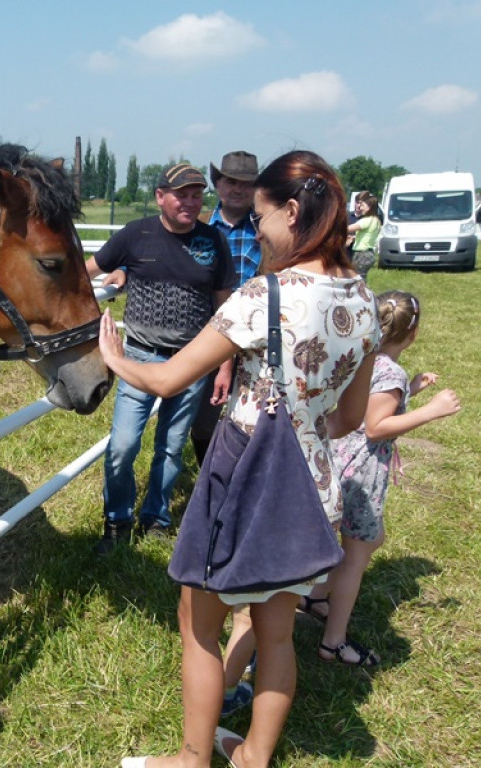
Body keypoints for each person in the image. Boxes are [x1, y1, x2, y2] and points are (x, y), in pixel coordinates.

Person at [109, 150, 379, 768]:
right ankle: (254, 756)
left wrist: (118, 358)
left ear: (291, 211)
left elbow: (169, 379)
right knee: (276, 630)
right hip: (310, 482)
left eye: (261, 215)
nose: (255, 231)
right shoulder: (362, 297)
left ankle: (191, 759)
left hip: (244, 476)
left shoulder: (266, 295)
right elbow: (350, 418)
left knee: (197, 622)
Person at [300, 291, 460, 668]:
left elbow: (374, 402)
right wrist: (431, 411)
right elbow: (376, 426)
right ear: (413, 333)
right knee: (357, 552)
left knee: (367, 540)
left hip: (335, 455)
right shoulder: (392, 373)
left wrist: (411, 391)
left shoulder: (360, 358)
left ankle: (318, 596)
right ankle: (334, 641)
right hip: (360, 468)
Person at [85, 163, 236, 552]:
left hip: (191, 361)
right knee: (122, 445)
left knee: (171, 446)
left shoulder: (213, 240)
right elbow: (90, 268)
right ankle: (117, 519)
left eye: (195, 194)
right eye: (181, 194)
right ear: (160, 197)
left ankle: (156, 517)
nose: (189, 201)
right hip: (138, 357)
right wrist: (117, 270)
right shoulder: (137, 234)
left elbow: (224, 309)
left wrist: (225, 364)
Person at [195, 151, 262, 718]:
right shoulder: (205, 229)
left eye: (247, 184)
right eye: (231, 181)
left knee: (245, 424)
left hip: (260, 341)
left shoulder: (266, 237)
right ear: (219, 183)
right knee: (206, 427)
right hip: (213, 338)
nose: (237, 191)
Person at [347, 191, 381, 279]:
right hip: (368, 253)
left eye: (363, 206)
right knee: (361, 279)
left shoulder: (366, 220)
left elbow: (347, 229)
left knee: (358, 280)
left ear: (369, 207)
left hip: (362, 254)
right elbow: (368, 235)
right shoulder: (376, 220)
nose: (360, 208)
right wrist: (354, 237)